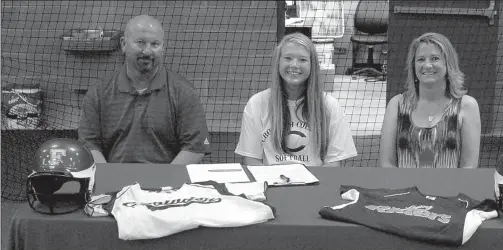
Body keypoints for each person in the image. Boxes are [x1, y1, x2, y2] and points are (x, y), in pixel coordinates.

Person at [78, 15, 212, 164]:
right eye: (140, 43)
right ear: (123, 44)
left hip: (168, 184)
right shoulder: (98, 93)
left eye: (155, 44)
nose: (147, 51)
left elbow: (194, 149)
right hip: (115, 184)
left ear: (163, 48)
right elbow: (89, 145)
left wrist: (163, 183)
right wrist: (110, 179)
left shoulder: (184, 92)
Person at [235, 33, 357, 167]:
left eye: (302, 60)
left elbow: (334, 164)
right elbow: (253, 161)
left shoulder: (329, 106)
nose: (294, 65)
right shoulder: (256, 104)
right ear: (278, 62)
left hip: (316, 185)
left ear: (312, 65)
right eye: (288, 58)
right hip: (272, 184)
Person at [379, 32, 481, 168]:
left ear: (448, 63)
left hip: (451, 189)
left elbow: (469, 167)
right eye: (421, 59)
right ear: (413, 66)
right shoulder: (396, 105)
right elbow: (387, 163)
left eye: (435, 58)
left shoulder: (467, 106)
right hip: (404, 189)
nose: (427, 65)